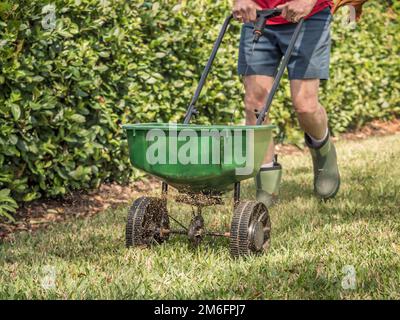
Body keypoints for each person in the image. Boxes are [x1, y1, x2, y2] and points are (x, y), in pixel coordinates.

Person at [233, 0, 340, 207]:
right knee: (255, 104)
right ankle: (266, 184)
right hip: (258, 15)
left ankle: (323, 153)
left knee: (305, 106)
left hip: (309, 16)